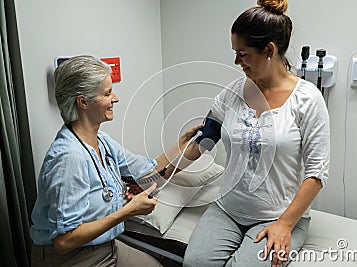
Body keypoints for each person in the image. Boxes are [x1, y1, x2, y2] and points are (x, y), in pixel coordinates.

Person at [183, 0, 330, 266]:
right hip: (227, 209)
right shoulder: (231, 93)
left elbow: (316, 175)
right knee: (194, 263)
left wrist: (285, 224)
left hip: (278, 214)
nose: (236, 61)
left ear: (269, 51)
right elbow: (202, 141)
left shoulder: (308, 100)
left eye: (243, 54)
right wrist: (153, 177)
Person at [30, 55, 200, 266]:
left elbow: (148, 168)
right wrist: (129, 211)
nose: (116, 98)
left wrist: (183, 144)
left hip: (106, 244)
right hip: (73, 257)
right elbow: (65, 241)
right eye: (108, 93)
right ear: (83, 102)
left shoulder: (101, 141)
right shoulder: (69, 158)